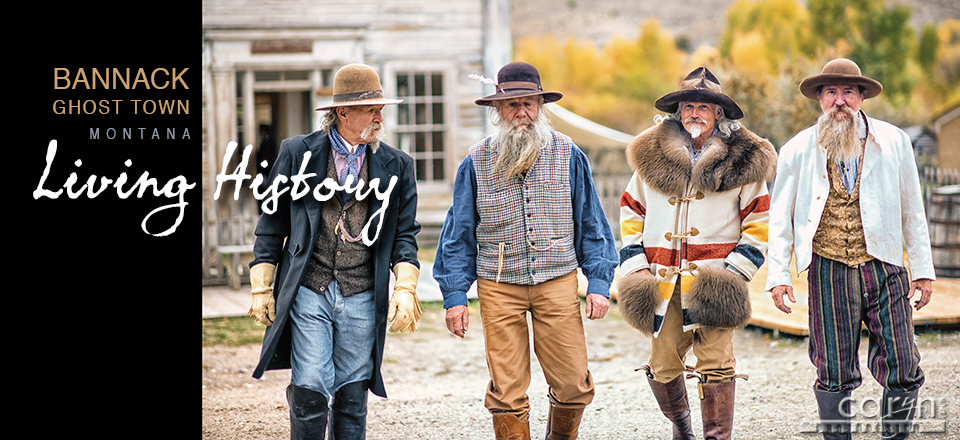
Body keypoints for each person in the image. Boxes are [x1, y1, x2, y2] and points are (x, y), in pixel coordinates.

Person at [433, 61, 619, 440]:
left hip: (557, 279)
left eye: (529, 103)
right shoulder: (476, 161)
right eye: (513, 105)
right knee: (507, 391)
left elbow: (592, 223)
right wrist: (455, 295)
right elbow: (458, 234)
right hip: (498, 285)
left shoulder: (569, 154)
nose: (522, 112)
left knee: (573, 385)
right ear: (498, 111)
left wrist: (599, 282)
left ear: (540, 107)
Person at [246, 63, 424, 440]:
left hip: (361, 292)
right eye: (370, 109)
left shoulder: (398, 165)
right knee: (310, 385)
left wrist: (406, 286)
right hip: (310, 287)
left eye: (381, 108)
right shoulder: (297, 153)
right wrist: (262, 282)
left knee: (352, 391)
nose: (380, 116)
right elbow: (272, 220)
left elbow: (405, 235)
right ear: (341, 112)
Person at [766, 58, 934, 440]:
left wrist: (922, 270)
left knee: (903, 363)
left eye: (847, 92)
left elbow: (913, 208)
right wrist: (778, 276)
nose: (839, 101)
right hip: (828, 268)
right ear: (820, 99)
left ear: (861, 97)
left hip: (884, 264)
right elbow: (781, 219)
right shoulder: (796, 149)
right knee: (833, 369)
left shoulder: (894, 142)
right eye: (831, 92)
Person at [616, 67, 777, 440]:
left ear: (718, 113)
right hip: (662, 282)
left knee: (717, 365)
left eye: (705, 107)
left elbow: (760, 223)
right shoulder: (650, 157)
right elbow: (630, 211)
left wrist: (735, 274)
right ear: (679, 110)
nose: (696, 113)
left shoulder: (744, 161)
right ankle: (682, 428)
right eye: (689, 105)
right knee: (663, 365)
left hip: (717, 281)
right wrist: (636, 267)